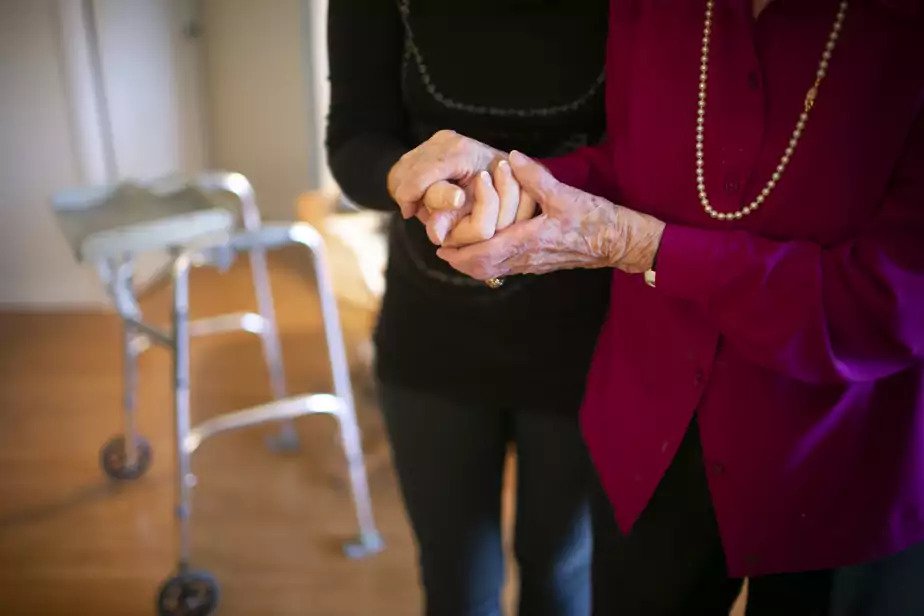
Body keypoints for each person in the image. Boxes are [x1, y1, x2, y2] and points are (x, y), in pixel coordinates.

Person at [386, 0, 924, 614]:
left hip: (840, 457)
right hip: (649, 427)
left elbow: (890, 302)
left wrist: (635, 242)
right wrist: (515, 185)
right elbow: (639, 167)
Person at [325, 1, 611, 615]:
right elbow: (353, 138)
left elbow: (652, 150)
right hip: (432, 331)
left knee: (562, 569)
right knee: (454, 577)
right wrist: (413, 179)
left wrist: (514, 190)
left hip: (588, 336)